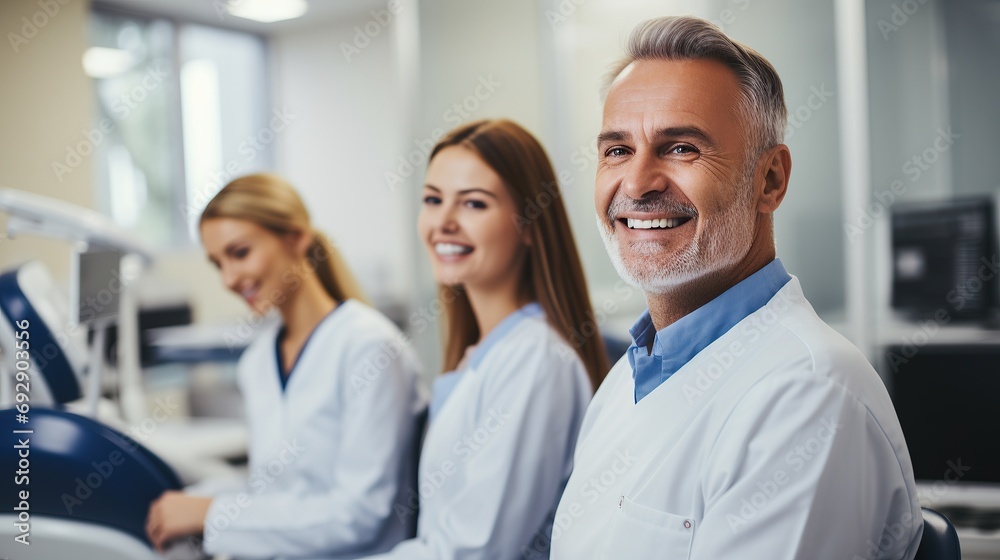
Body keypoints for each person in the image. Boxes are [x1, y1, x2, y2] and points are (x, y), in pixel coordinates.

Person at [550, 16, 922, 560]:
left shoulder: (807, 395)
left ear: (769, 179)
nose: (636, 183)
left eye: (680, 147)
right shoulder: (627, 380)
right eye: (617, 150)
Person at [146, 173, 427, 559]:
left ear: (296, 238)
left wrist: (214, 514)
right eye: (217, 264)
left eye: (240, 253)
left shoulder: (369, 349)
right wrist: (200, 502)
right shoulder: (258, 360)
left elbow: (360, 516)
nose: (229, 278)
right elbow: (279, 494)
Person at [363, 119, 609, 560]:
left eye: (474, 204)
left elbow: (473, 550)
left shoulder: (537, 359)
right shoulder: (485, 351)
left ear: (531, 223)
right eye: (433, 200)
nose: (444, 222)